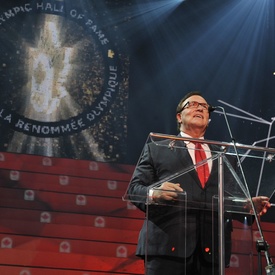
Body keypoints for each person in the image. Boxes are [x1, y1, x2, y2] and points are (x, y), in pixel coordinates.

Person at [126, 91, 271, 275]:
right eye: (193, 104)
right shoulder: (157, 148)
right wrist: (154, 193)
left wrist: (248, 206)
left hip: (211, 253)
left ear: (209, 119)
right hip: (167, 248)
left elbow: (231, 199)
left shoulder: (225, 155)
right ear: (179, 117)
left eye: (204, 107)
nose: (200, 108)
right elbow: (134, 189)